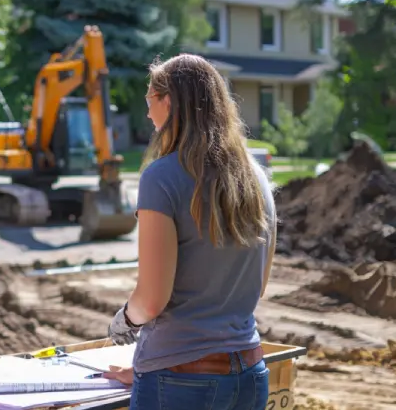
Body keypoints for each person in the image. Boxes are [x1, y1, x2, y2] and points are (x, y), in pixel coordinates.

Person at [103, 54, 277, 410]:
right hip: (249, 373)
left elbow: (151, 299)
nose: (148, 113)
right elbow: (257, 285)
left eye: (149, 99)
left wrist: (125, 320)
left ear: (169, 102)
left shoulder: (161, 177)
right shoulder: (255, 178)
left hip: (180, 380)